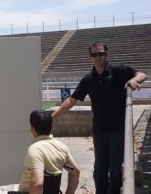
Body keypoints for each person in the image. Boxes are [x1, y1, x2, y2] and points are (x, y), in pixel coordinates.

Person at [52, 40, 148, 194]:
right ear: (90, 57)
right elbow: (72, 100)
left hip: (118, 129)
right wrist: (53, 117)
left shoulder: (119, 71)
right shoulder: (88, 79)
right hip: (99, 130)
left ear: (107, 54)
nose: (98, 57)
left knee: (115, 170)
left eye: (101, 54)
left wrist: (134, 80)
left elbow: (142, 74)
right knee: (99, 169)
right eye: (94, 55)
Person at [0, 109, 80, 194]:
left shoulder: (36, 149)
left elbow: (38, 183)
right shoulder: (61, 147)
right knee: (1, 188)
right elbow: (75, 172)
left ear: (32, 128)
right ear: (51, 126)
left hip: (26, 191)